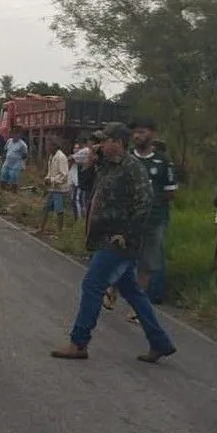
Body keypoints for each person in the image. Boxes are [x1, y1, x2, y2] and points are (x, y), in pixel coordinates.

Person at [51, 122, 176, 363]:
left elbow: (144, 203)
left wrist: (126, 234)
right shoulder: (107, 166)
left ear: (119, 142)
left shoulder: (132, 168)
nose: (99, 145)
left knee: (93, 285)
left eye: (105, 140)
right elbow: (88, 187)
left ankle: (79, 342)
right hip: (103, 237)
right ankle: (160, 342)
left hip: (117, 241)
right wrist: (90, 163)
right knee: (133, 292)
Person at [112, 117, 178, 318]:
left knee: (147, 264)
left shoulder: (164, 162)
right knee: (119, 256)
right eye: (135, 132)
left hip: (154, 219)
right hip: (126, 219)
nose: (137, 136)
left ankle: (136, 306)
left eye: (142, 132)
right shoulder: (125, 159)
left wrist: (150, 199)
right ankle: (111, 290)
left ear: (152, 134)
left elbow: (170, 192)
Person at [36, 136, 69, 235]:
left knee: (59, 210)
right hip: (53, 188)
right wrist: (47, 179)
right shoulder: (52, 156)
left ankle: (59, 232)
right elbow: (51, 172)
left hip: (59, 189)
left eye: (48, 145)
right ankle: (41, 228)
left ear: (54, 146)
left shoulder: (61, 157)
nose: (46, 148)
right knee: (46, 208)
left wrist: (52, 180)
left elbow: (64, 174)